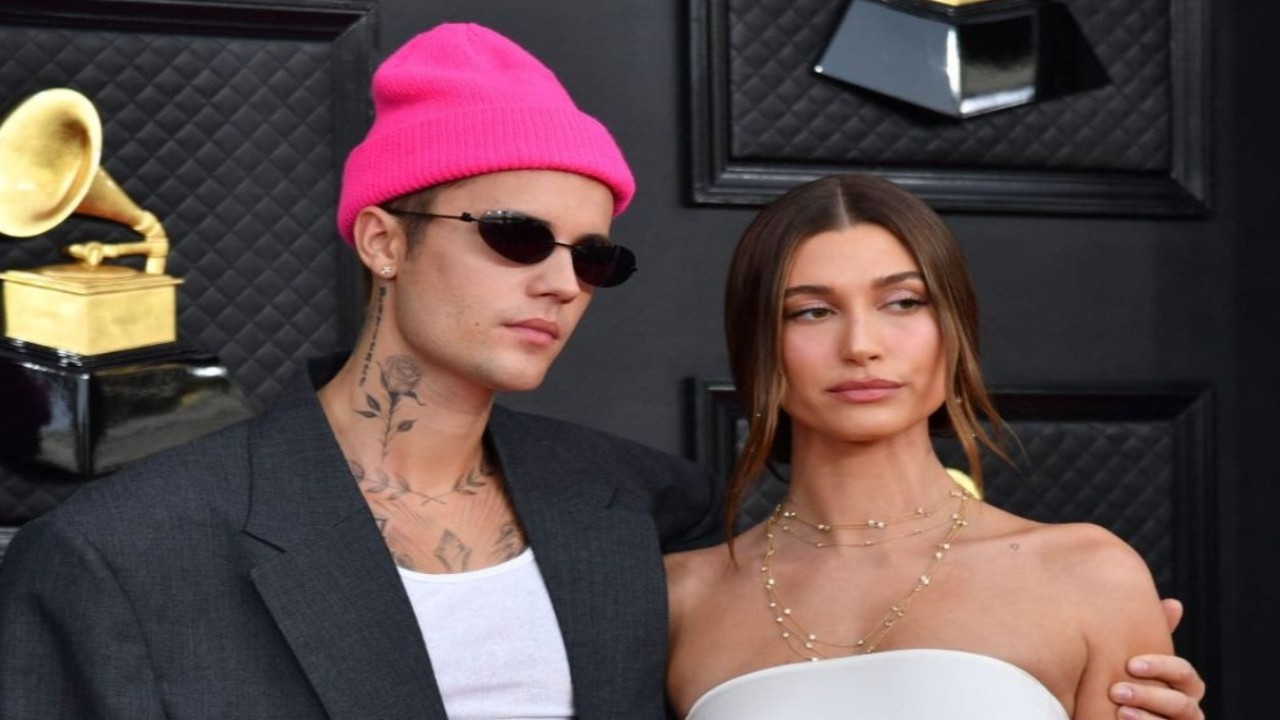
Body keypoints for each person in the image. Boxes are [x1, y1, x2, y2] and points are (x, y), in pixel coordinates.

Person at [0, 24, 1202, 720]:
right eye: (515, 235)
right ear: (380, 238)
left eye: (593, 254)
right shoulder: (121, 555)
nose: (561, 280)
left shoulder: (644, 519)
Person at [665, 173, 1202, 720]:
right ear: (757, 347)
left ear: (955, 328)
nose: (861, 346)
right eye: (812, 311)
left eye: (902, 302)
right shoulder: (680, 598)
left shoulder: (1087, 575)